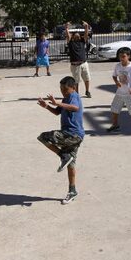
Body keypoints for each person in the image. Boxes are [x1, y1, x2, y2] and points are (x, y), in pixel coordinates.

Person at [37, 76, 85, 204]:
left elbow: (75, 108)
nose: (63, 91)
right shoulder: (65, 99)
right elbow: (57, 112)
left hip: (72, 135)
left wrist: (57, 102)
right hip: (72, 136)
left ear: (73, 88)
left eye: (65, 89)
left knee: (43, 137)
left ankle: (62, 155)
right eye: (61, 89)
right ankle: (72, 190)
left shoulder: (74, 96)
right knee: (71, 164)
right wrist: (46, 106)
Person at [107, 48, 131, 135]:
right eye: (120, 56)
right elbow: (114, 76)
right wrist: (116, 82)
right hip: (119, 92)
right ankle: (115, 125)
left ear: (128, 56)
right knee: (115, 109)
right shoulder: (118, 66)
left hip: (129, 94)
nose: (121, 58)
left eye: (123, 56)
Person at [66, 21, 92, 97]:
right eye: (75, 34)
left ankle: (87, 91)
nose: (77, 35)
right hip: (75, 65)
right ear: (73, 36)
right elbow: (68, 36)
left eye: (78, 34)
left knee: (87, 78)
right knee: (76, 81)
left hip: (84, 64)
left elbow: (86, 35)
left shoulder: (82, 41)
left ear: (80, 37)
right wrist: (66, 27)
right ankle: (76, 93)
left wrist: (86, 27)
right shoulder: (71, 43)